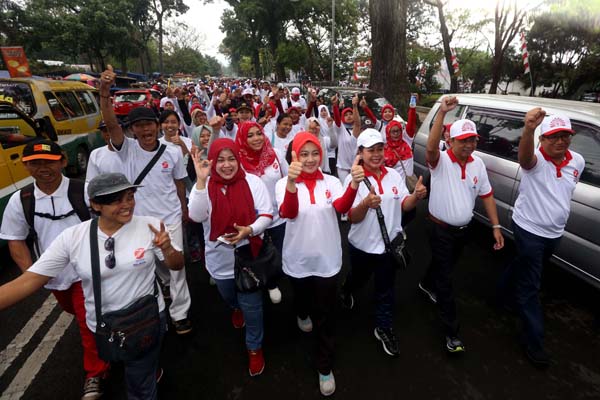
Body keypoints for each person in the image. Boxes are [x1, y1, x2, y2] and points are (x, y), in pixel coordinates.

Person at [0, 173, 185, 400]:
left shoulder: (152, 226)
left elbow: (176, 265)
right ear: (95, 204)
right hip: (102, 326)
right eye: (116, 200)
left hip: (146, 320)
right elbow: (29, 280)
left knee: (140, 385)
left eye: (130, 196)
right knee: (120, 360)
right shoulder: (73, 237)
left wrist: (167, 249)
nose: (127, 205)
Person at [0, 140, 110, 399]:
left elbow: (107, 222)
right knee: (75, 312)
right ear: (26, 167)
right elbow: (15, 239)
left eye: (49, 162)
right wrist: (33, 275)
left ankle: (95, 372)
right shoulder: (22, 200)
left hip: (87, 272)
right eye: (35, 163)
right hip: (54, 278)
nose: (43, 168)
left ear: (62, 161)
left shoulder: (82, 191)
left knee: (87, 322)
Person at [98, 66, 193, 335]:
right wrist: (105, 93)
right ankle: (163, 293)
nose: (145, 129)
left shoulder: (172, 152)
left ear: (157, 126)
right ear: (133, 130)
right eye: (139, 126)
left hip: (170, 218)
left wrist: (184, 209)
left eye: (149, 124)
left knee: (177, 267)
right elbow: (112, 122)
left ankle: (180, 313)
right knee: (151, 265)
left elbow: (178, 183)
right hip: (137, 220)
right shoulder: (125, 149)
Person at [275, 132, 362, 396]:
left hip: (327, 260)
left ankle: (324, 366)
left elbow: (341, 206)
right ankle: (301, 313)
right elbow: (288, 212)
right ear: (295, 156)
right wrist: (291, 181)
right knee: (302, 301)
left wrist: (354, 185)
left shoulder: (332, 181)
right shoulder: (283, 183)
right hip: (297, 258)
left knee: (325, 315)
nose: (311, 159)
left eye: (315, 153)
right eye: (304, 154)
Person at [497, 110, 585, 368]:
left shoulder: (576, 161)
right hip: (529, 230)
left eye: (565, 136)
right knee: (530, 285)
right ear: (542, 139)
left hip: (554, 233)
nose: (560, 141)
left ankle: (502, 295)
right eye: (553, 136)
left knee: (522, 265)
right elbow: (524, 158)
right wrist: (528, 130)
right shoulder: (535, 162)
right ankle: (533, 341)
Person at [421, 96, 504, 353]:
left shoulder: (478, 164)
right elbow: (432, 148)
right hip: (439, 228)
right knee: (446, 280)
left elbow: (486, 194)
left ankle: (425, 283)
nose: (469, 144)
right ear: (451, 141)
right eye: (463, 140)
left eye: (472, 140)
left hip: (462, 231)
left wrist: (496, 226)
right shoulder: (441, 161)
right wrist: (442, 115)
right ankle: (452, 332)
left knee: (443, 266)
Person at [188, 138, 273, 377]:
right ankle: (235, 307)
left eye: (231, 159)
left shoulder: (253, 182)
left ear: (238, 158)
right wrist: (201, 181)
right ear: (213, 162)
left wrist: (250, 230)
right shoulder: (204, 185)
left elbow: (267, 213)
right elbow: (195, 215)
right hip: (220, 259)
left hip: (249, 256)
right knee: (229, 296)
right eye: (221, 160)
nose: (227, 165)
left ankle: (254, 347)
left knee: (252, 306)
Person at [340, 129, 427, 357]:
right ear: (360, 153)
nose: (377, 154)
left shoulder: (393, 176)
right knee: (358, 278)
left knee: (385, 289)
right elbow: (351, 217)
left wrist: (415, 197)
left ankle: (384, 327)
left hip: (388, 248)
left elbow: (402, 206)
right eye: (371, 150)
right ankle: (347, 289)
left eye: (380, 149)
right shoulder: (353, 180)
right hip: (362, 246)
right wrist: (365, 204)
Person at [235, 121, 288, 304]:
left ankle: (273, 280)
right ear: (242, 138)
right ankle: (267, 283)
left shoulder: (276, 155)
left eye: (259, 133)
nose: (256, 138)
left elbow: (288, 180)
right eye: (250, 135)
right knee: (258, 255)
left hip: (279, 217)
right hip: (254, 222)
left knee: (279, 255)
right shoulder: (237, 162)